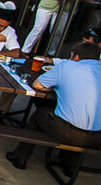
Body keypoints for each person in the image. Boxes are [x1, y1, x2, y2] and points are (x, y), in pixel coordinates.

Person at [6, 41, 101, 172]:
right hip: (98, 138)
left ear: (76, 57)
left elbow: (37, 85)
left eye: (71, 56)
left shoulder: (68, 66)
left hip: (69, 134)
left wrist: (60, 88)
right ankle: (69, 164)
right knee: (84, 119)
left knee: (40, 114)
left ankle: (20, 157)